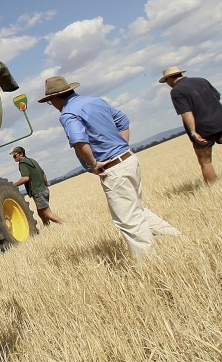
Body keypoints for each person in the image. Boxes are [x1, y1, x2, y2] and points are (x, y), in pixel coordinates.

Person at [38, 75, 179, 258]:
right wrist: (122, 147)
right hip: (129, 160)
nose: (53, 106)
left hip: (113, 169)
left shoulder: (68, 114)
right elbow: (123, 121)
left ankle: (150, 263)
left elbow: (79, 140)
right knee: (137, 209)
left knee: (128, 220)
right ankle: (176, 238)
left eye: (51, 102)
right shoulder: (96, 101)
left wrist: (93, 163)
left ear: (55, 98)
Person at [10, 146, 64, 226]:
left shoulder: (22, 163)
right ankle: (47, 228)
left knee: (48, 214)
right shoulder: (32, 161)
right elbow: (43, 175)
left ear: (21, 154)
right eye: (13, 156)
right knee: (41, 213)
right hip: (44, 190)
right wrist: (45, 186)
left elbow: (25, 178)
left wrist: (13, 185)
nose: (14, 157)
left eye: (15, 155)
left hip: (38, 192)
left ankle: (65, 224)